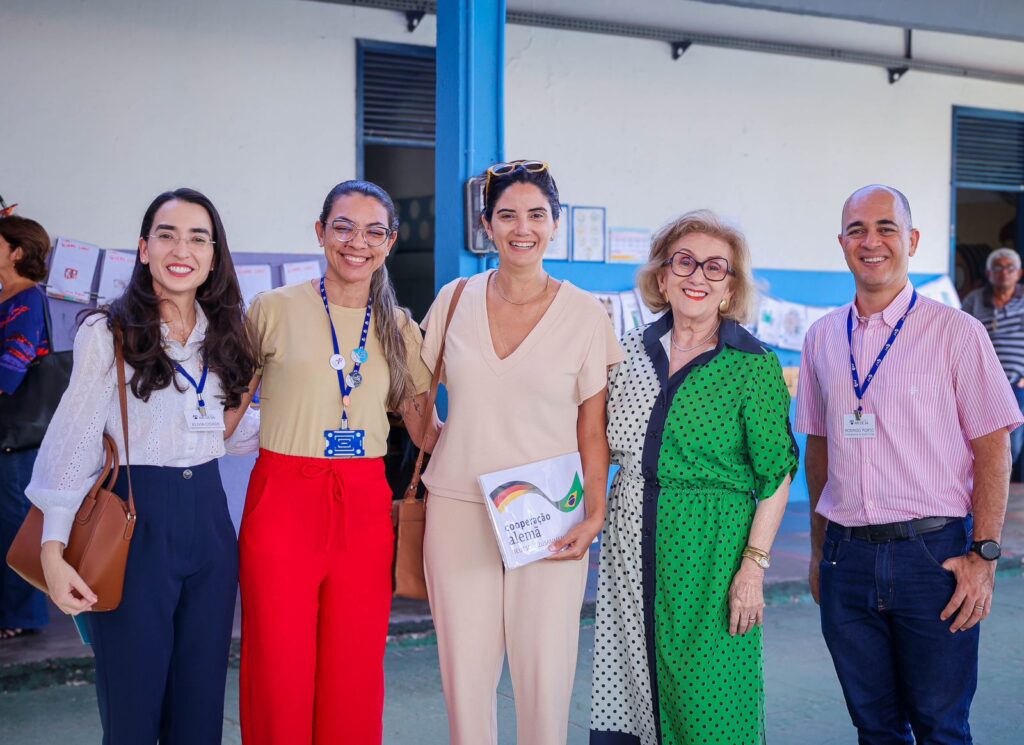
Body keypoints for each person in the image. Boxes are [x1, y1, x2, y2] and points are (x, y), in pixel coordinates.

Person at [26, 188, 259, 744]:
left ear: (214, 254)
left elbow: (228, 439)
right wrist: (52, 551)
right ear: (144, 248)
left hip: (210, 523)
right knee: (133, 705)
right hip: (134, 520)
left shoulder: (226, 334)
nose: (183, 249)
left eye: (198, 238)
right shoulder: (107, 332)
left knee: (200, 704)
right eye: (168, 234)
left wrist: (256, 396)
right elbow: (75, 440)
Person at [796, 185, 1022, 744]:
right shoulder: (822, 338)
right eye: (856, 230)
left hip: (934, 559)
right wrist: (822, 550)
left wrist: (984, 556)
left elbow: (994, 449)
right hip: (846, 560)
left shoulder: (957, 333)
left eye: (885, 228)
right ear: (842, 242)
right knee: (874, 728)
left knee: (941, 727)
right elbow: (820, 447)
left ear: (912, 240)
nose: (870, 241)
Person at [420, 160, 623, 745]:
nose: (522, 227)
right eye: (507, 215)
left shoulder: (585, 314)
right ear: (487, 225)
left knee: (545, 678)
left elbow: (593, 428)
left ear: (555, 224)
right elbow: (416, 395)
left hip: (550, 514)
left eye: (536, 214)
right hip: (459, 508)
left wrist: (595, 514)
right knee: (466, 679)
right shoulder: (454, 300)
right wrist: (439, 440)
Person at [589, 209, 797, 745]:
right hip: (630, 545)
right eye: (684, 262)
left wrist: (752, 569)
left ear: (730, 289)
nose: (697, 276)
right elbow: (596, 441)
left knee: (709, 701)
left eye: (714, 267)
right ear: (662, 278)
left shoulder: (753, 364)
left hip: (711, 553)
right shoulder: (628, 352)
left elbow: (776, 475)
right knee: (636, 690)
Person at [238, 180, 434, 745]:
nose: (358, 243)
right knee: (278, 662)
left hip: (364, 502)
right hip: (282, 497)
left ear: (391, 243)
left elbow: (426, 431)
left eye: (375, 231)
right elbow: (224, 410)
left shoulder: (399, 327)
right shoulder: (272, 309)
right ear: (320, 232)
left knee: (354, 662)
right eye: (343, 226)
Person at [0, 215, 52, 640]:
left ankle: (22, 614)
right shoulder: (6, 299)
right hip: (8, 432)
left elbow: (11, 371)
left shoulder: (28, 300)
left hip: (17, 434)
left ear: (16, 252)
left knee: (14, 520)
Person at [961, 247, 1024, 478]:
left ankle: (999, 485)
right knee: (979, 440)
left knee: (1011, 444)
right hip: (983, 383)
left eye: (1010, 268)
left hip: (1017, 384)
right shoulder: (975, 300)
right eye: (998, 267)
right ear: (989, 274)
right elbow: (961, 335)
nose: (1004, 272)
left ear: (1018, 273)